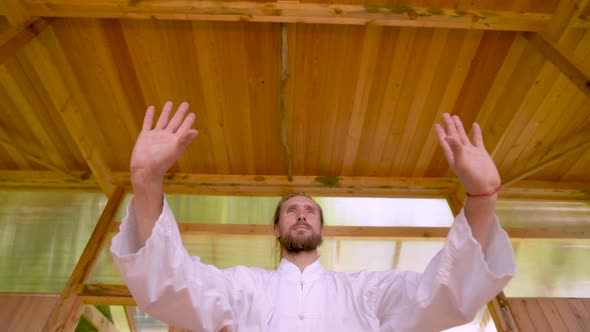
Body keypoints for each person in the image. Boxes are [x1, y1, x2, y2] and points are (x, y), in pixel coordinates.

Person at [111, 101, 516, 331]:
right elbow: (171, 288)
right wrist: (146, 182)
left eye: (309, 211)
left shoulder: (367, 292)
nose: (301, 215)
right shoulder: (241, 287)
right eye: (291, 210)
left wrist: (482, 197)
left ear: (322, 228)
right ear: (276, 227)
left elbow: (442, 296)